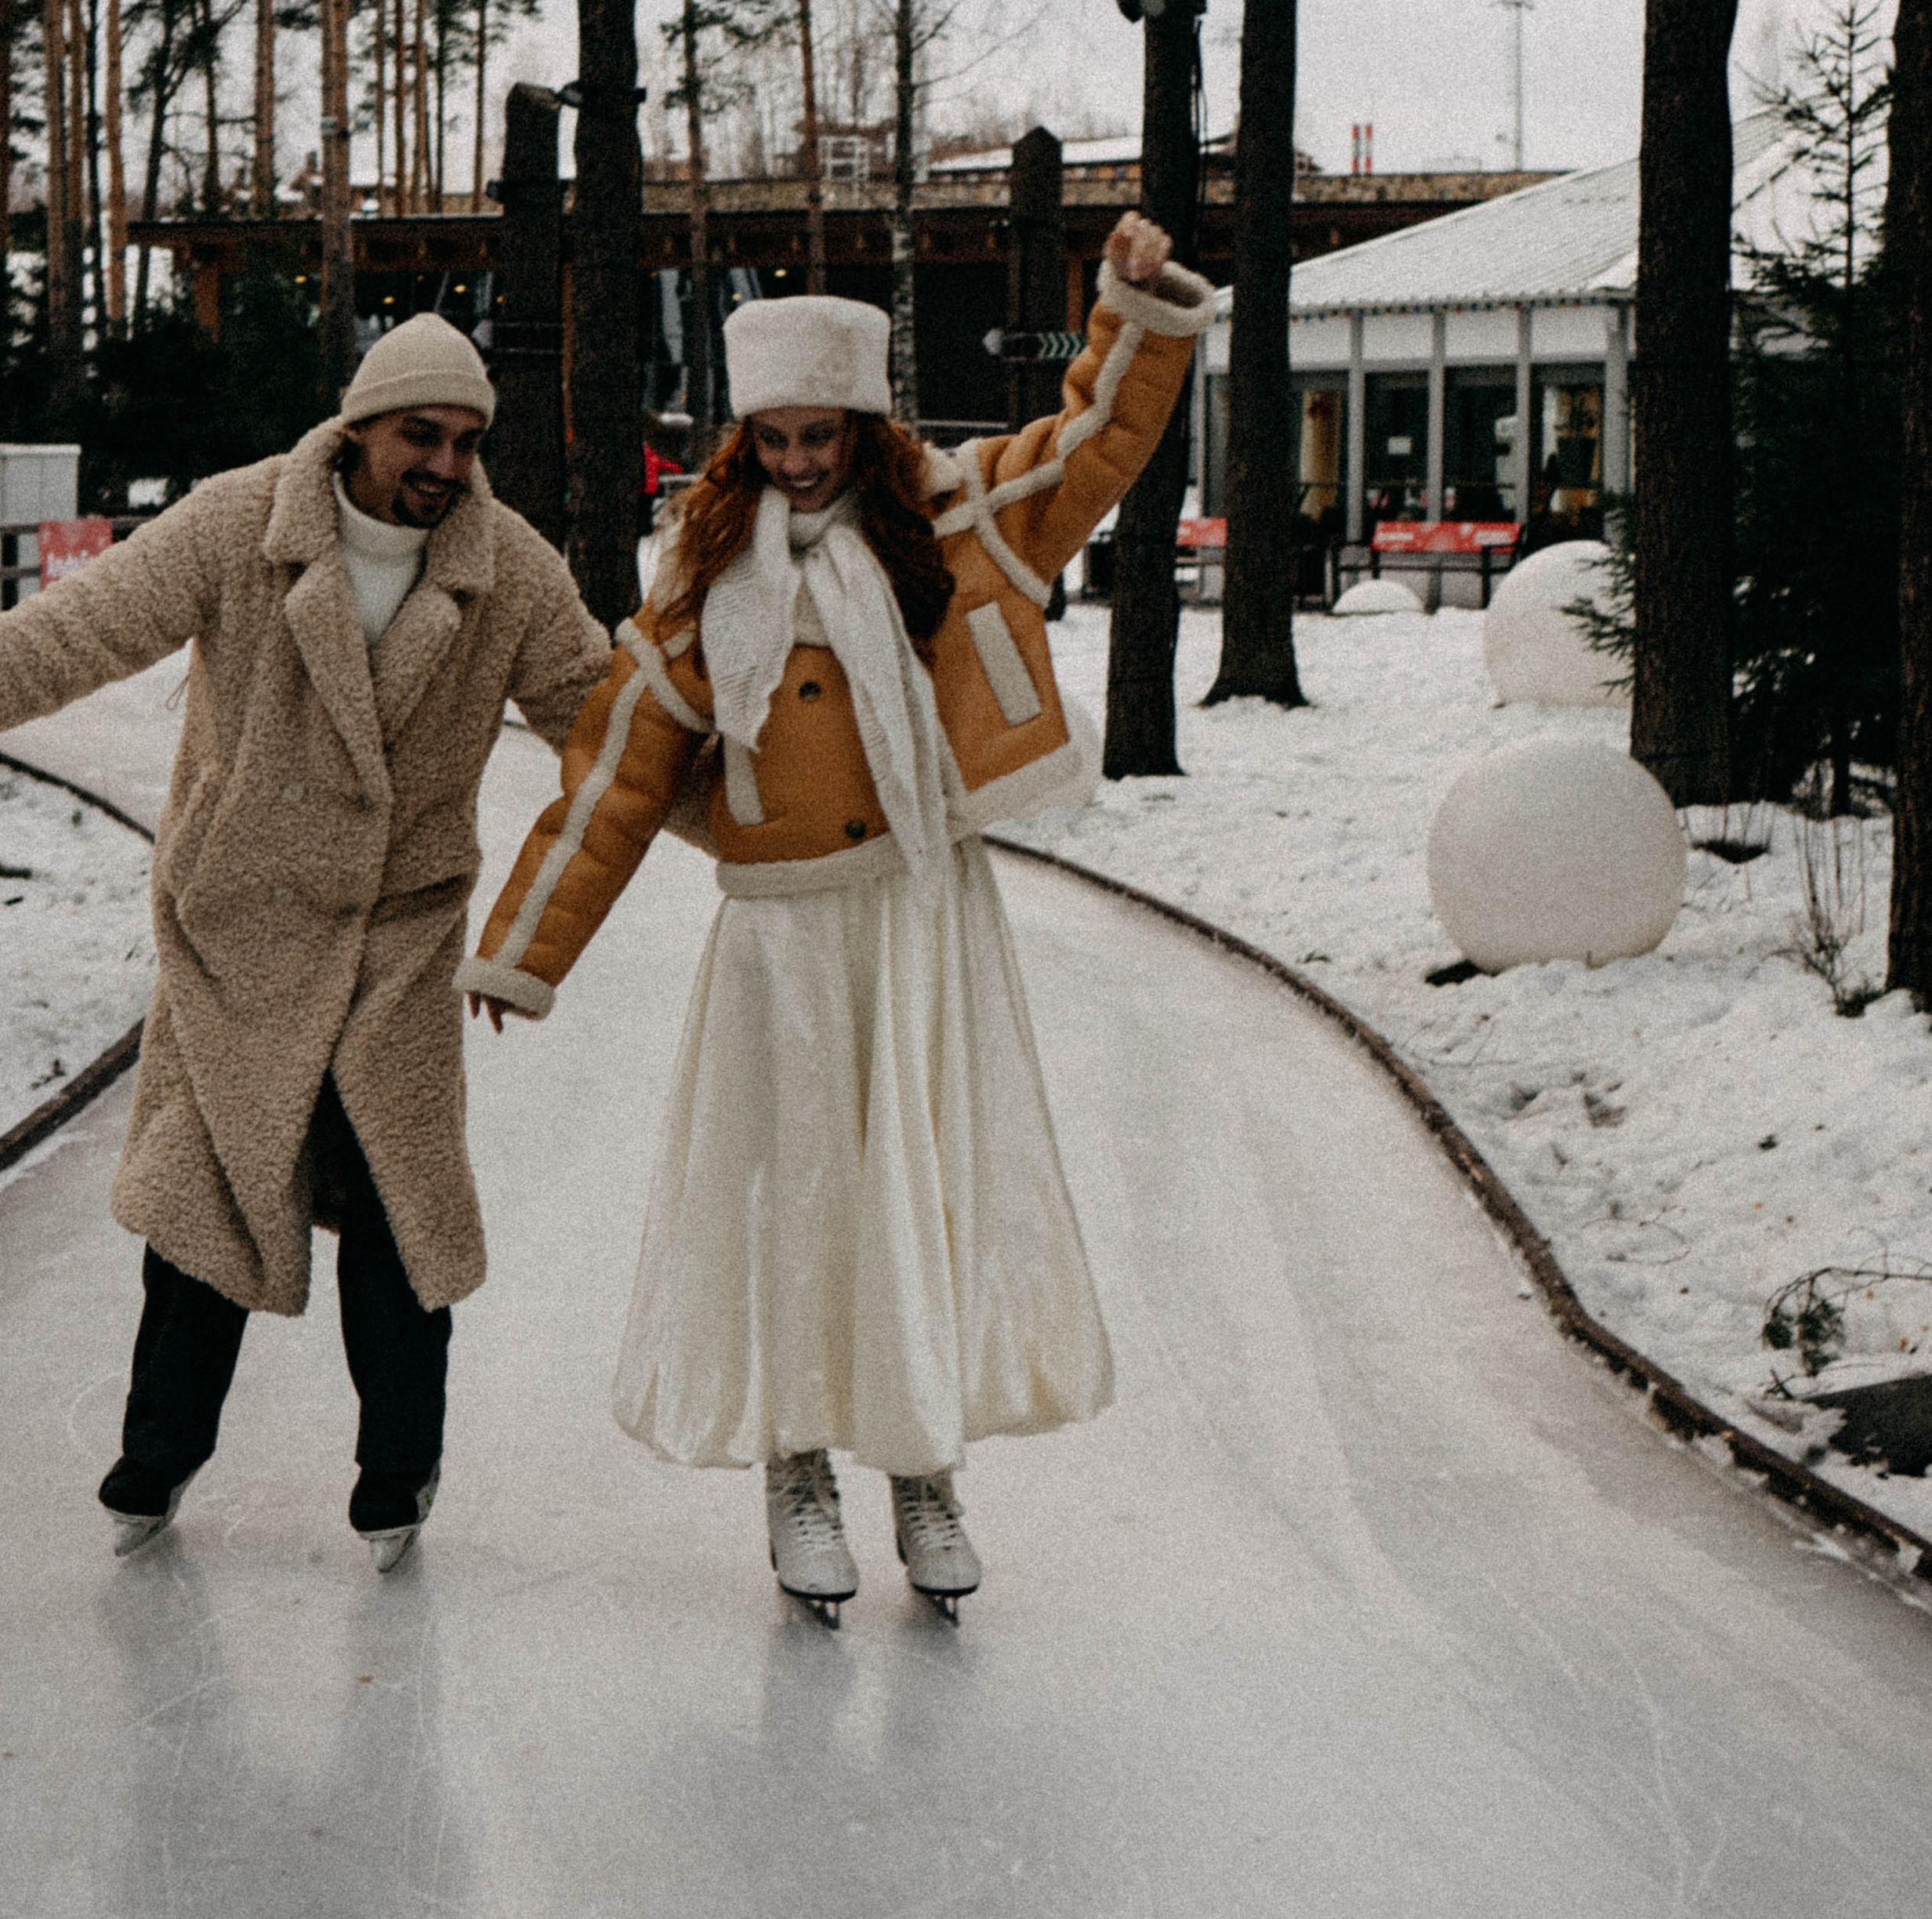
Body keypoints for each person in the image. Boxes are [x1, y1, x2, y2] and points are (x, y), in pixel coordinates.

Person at [459, 214, 1214, 1622]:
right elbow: (611, 783)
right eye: (778, 441)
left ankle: (922, 1472)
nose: (802, 463)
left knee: (915, 1193)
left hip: (923, 919)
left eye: (826, 437)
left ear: (867, 428)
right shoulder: (695, 595)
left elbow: (1094, 438)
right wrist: (524, 948)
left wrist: (1132, 297)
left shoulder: (962, 516)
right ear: (746, 443)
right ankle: (797, 1471)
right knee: (801, 1203)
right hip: (784, 939)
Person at [0, 314, 610, 1567]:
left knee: (398, 1211)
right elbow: (77, 632)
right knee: (207, 1201)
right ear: (358, 428)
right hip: (241, 928)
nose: (443, 463)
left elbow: (615, 736)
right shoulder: (244, 523)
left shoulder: (509, 570)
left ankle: (399, 1468)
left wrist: (793, 820)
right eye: (419, 434)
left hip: (398, 936)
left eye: (466, 440)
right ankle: (157, 1456)